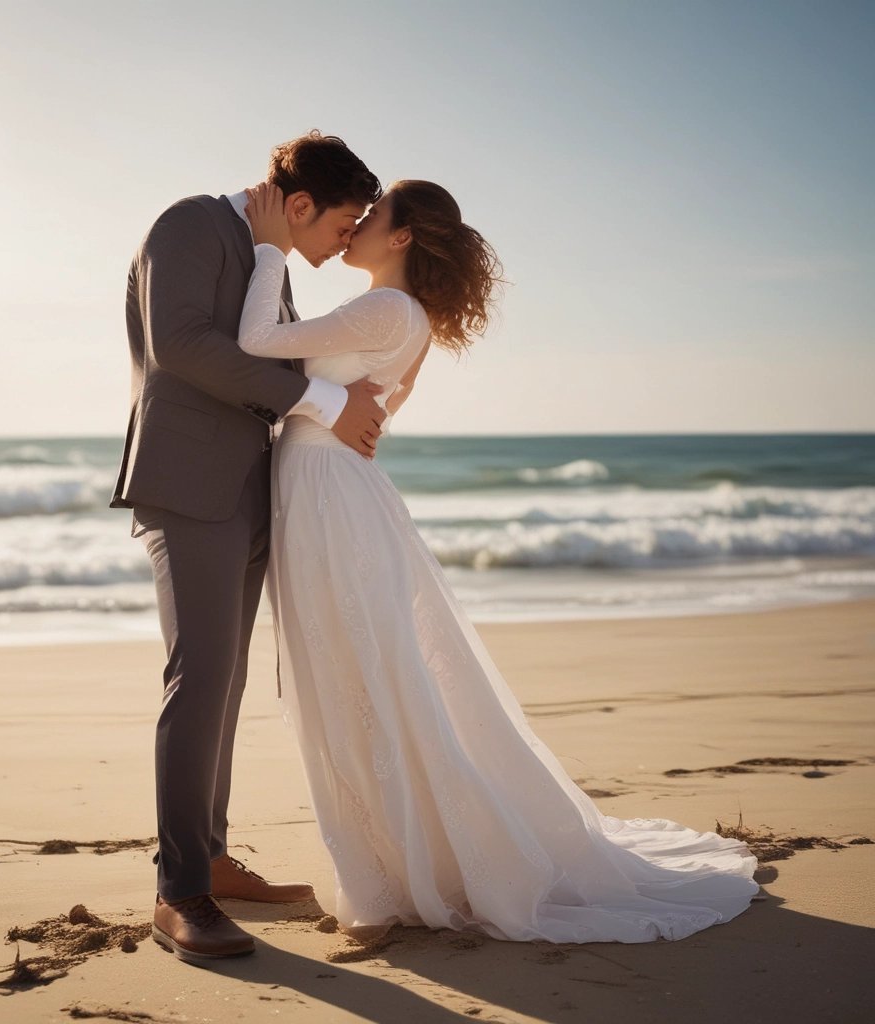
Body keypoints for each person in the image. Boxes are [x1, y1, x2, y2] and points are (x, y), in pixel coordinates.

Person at [236, 180, 760, 944]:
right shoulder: (403, 317)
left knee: (352, 680)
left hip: (326, 495)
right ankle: (385, 873)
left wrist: (268, 248)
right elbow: (361, 403)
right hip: (330, 491)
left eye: (372, 217)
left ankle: (382, 885)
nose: (355, 228)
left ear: (404, 236)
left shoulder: (386, 308)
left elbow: (255, 344)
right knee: (357, 679)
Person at [111, 132, 386, 962]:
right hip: (188, 485)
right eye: (342, 226)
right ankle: (179, 891)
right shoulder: (190, 225)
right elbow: (183, 345)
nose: (344, 244)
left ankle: (213, 860)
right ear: (300, 204)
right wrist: (321, 399)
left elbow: (271, 352)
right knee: (198, 678)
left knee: (224, 683)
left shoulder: (273, 257)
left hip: (251, 492)